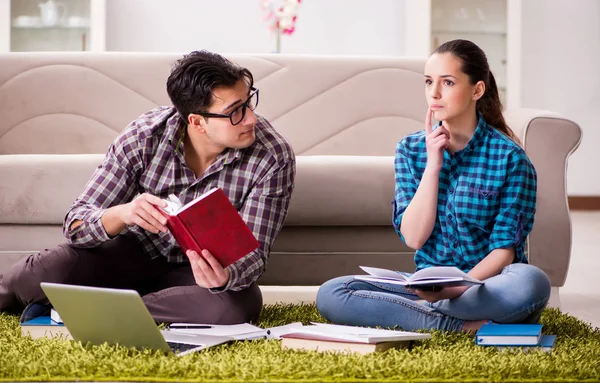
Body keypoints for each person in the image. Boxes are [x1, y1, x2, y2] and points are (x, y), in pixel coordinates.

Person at [0, 50, 296, 324]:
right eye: (236, 112)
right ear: (197, 122)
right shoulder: (145, 135)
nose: (251, 118)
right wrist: (124, 214)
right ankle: (69, 301)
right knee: (47, 269)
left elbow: (253, 255)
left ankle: (90, 308)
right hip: (129, 256)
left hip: (195, 280)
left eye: (249, 102)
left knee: (236, 305)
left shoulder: (273, 156)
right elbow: (76, 224)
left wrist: (224, 277)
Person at [316, 39, 550, 333]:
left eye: (448, 83)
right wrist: (433, 165)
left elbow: (504, 252)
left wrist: (459, 288)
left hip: (485, 287)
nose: (434, 93)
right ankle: (463, 326)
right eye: (429, 82)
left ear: (477, 90)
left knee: (531, 282)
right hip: (426, 288)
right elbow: (414, 238)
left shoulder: (511, 159)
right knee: (333, 293)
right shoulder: (410, 149)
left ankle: (430, 317)